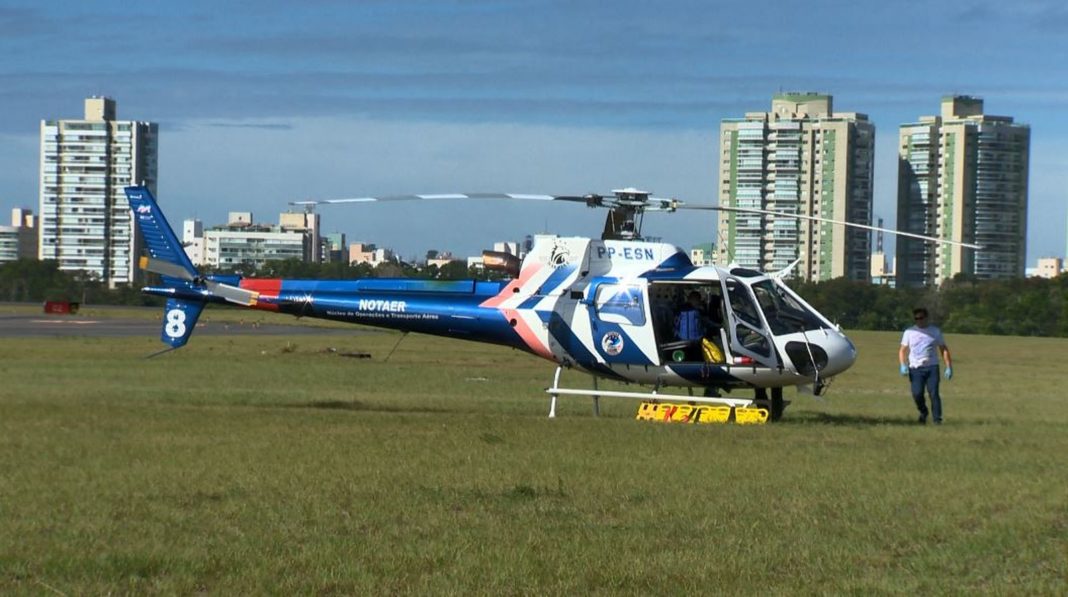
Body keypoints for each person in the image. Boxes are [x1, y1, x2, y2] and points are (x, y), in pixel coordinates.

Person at [898, 307, 953, 424]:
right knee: (917, 393)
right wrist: (902, 365)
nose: (919, 320)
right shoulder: (909, 332)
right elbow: (902, 350)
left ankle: (937, 420)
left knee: (934, 393)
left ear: (926, 318)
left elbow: (943, 349)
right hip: (915, 368)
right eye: (916, 318)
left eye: (921, 318)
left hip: (932, 367)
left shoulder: (935, 331)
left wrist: (948, 367)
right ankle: (923, 412)